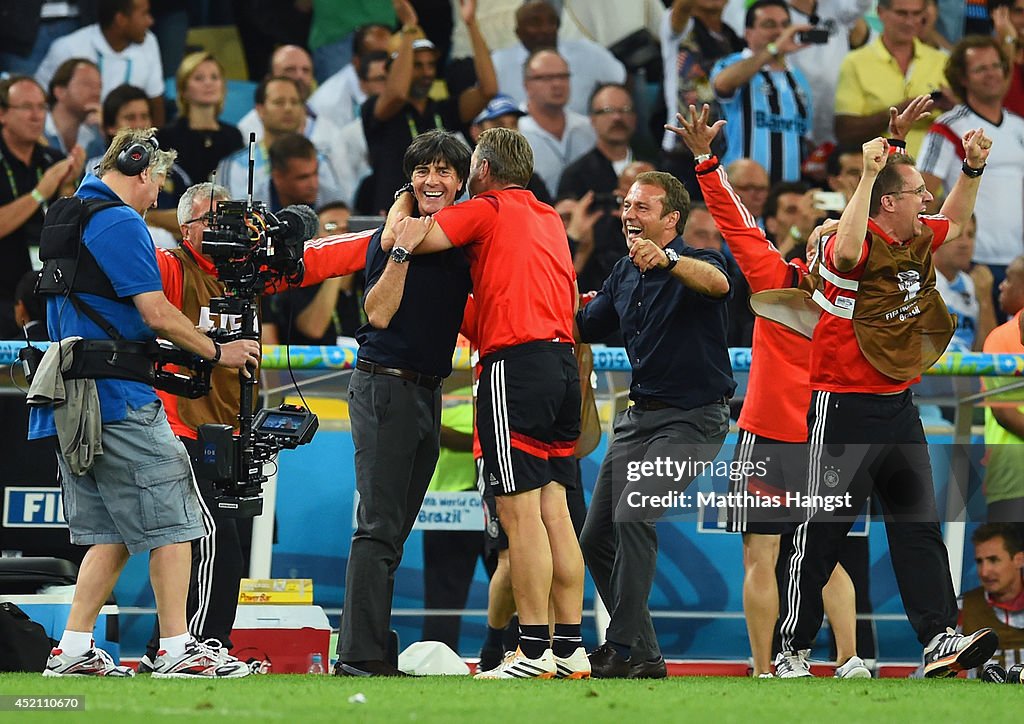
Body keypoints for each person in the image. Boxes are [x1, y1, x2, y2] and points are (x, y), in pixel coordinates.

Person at [29, 127, 260, 677]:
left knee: (112, 532)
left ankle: (73, 649)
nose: (155, 196)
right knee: (180, 522)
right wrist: (217, 352)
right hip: (119, 396)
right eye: (154, 181)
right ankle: (180, 650)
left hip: (73, 394)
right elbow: (155, 312)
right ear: (136, 168)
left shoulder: (68, 214)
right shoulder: (120, 221)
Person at [770, 125, 999, 677]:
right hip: (841, 405)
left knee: (917, 524)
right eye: (918, 193)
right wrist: (870, 173)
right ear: (889, 202)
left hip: (896, 402)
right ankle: (791, 652)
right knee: (820, 533)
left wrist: (972, 168)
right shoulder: (843, 239)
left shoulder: (914, 237)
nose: (928, 201)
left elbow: (959, 218)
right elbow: (848, 252)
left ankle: (939, 636)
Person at [668, 102, 871, 679]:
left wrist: (706, 161)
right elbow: (735, 221)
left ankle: (769, 669)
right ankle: (845, 660)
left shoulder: (779, 281)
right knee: (822, 558)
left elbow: (735, 223)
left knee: (765, 554)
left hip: (771, 436)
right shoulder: (859, 303)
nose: (823, 243)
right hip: (830, 437)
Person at [384, 127, 587, 680]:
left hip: (515, 368)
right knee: (556, 515)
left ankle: (533, 651)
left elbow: (406, 239)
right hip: (562, 364)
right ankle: (570, 648)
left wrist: (404, 201)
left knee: (519, 521)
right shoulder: (548, 218)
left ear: (484, 170)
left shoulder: (487, 208)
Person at [577, 167, 734, 678]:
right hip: (639, 418)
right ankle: (644, 655)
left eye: (642, 207)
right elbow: (582, 322)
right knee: (596, 536)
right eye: (626, 205)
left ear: (671, 221)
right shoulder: (622, 274)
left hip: (694, 420)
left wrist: (669, 261)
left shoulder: (697, 260)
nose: (629, 215)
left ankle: (619, 646)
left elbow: (719, 284)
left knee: (633, 513)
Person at [335, 130, 473, 678]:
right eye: (422, 171)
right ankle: (360, 653)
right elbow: (379, 314)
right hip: (384, 385)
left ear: (460, 181)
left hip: (426, 391)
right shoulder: (389, 239)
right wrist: (399, 249)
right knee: (378, 525)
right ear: (409, 178)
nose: (431, 181)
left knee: (391, 529)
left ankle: (369, 644)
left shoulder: (459, 235)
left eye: (443, 171)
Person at [918, 35, 1024, 321]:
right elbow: (922, 197)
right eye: (980, 69)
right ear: (962, 78)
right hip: (970, 264)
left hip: (1018, 264)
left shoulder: (1019, 126)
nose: (991, 74)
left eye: (996, 66)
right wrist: (943, 258)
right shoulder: (947, 128)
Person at [362, 0, 496, 215]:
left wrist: (471, 24)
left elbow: (488, 89)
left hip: (443, 218)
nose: (426, 73)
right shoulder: (378, 110)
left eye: (431, 64)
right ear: (392, 68)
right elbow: (398, 93)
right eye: (417, 65)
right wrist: (409, 28)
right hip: (394, 219)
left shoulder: (443, 110)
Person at [0, 75, 84, 338]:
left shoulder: (53, 159)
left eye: (41, 107)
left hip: (47, 287)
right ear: (2, 114)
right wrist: (40, 193)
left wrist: (68, 187)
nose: (37, 116)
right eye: (26, 107)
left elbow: (72, 229)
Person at [710, 0, 814, 184]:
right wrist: (773, 49)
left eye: (785, 25)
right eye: (769, 25)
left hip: (786, 194)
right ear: (748, 33)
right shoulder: (732, 64)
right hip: (741, 187)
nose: (780, 32)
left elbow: (804, 135)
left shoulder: (799, 78)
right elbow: (722, 84)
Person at [833, 0, 951, 157]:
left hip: (931, 176)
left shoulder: (942, 61)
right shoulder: (855, 62)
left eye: (916, 14)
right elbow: (845, 132)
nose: (910, 22)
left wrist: (953, 106)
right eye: (902, 13)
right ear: (880, 12)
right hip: (879, 174)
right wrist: (899, 113)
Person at [36, 0, 165, 127]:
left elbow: (156, 101)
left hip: (127, 137)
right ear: (121, 19)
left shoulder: (149, 42)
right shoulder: (68, 48)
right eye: (144, 14)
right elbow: (39, 98)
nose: (150, 21)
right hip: (78, 137)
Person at [490, 0, 626, 117]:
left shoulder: (586, 52)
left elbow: (622, 79)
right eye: (535, 23)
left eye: (551, 22)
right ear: (518, 32)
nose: (545, 29)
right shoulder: (498, 63)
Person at [980, 255, 1024, 522]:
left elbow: (1005, 413)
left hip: (1011, 481)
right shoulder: (1002, 336)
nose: (1001, 285)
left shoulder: (1001, 336)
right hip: (1011, 479)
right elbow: (1004, 413)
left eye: (1009, 278)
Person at [158, 52, 244, 186]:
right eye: (199, 78)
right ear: (183, 89)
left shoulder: (234, 136)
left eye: (214, 77)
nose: (208, 83)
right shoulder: (166, 137)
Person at [959, 524, 1024, 671]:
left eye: (993, 560)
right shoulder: (962, 608)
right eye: (979, 561)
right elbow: (933, 669)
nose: (984, 572)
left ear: (1019, 560)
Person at [44, 58, 105, 159]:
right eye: (87, 84)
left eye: (99, 87)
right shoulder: (36, 129)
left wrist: (104, 133)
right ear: (60, 91)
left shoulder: (93, 138)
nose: (96, 93)